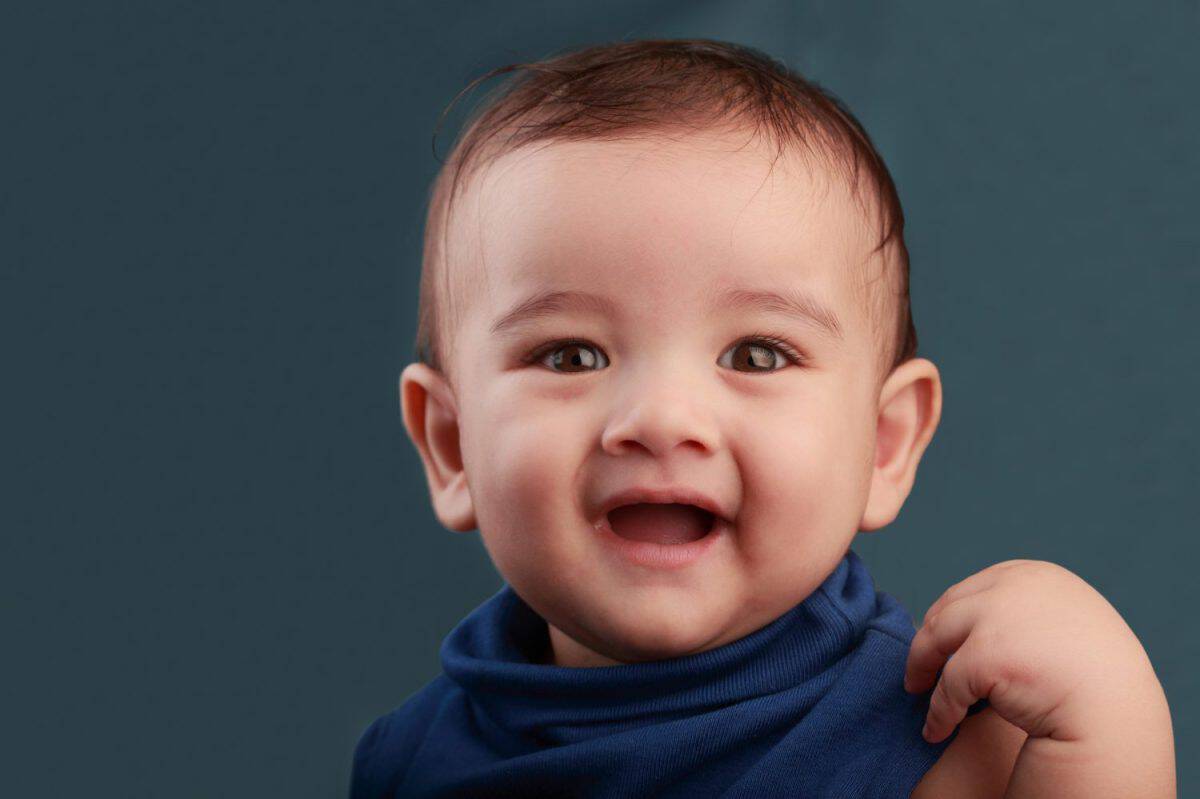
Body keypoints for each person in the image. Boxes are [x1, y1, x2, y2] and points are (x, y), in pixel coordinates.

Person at [350, 38, 1175, 798]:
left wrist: (1111, 733)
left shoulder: (945, 736)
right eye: (571, 356)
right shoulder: (409, 758)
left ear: (883, 444)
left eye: (755, 355)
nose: (662, 417)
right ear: (451, 445)